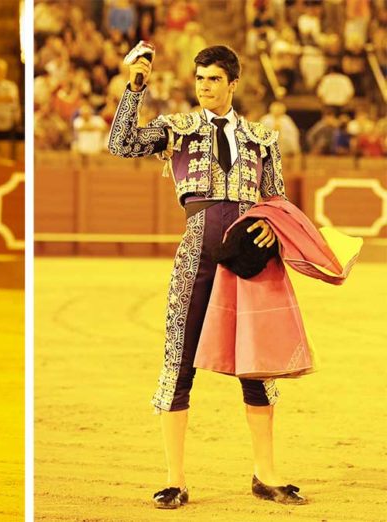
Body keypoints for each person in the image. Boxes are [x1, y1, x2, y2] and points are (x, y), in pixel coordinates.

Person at [108, 45, 307, 508]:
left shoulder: (263, 138)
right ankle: (175, 479)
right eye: (200, 78)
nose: (204, 86)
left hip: (247, 260)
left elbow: (274, 200)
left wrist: (268, 231)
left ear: (233, 83)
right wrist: (135, 89)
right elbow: (122, 144)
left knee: (256, 365)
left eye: (214, 79)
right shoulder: (177, 128)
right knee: (178, 361)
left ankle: (266, 474)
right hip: (196, 251)